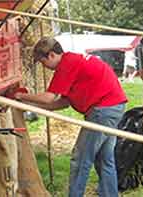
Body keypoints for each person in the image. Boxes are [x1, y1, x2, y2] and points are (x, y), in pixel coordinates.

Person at [15, 37, 127, 197]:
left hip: (102, 110)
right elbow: (63, 102)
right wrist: (32, 107)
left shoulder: (66, 65)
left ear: (51, 55)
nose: (44, 67)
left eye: (42, 62)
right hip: (114, 106)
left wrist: (22, 97)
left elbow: (49, 98)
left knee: (80, 158)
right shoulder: (74, 61)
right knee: (104, 159)